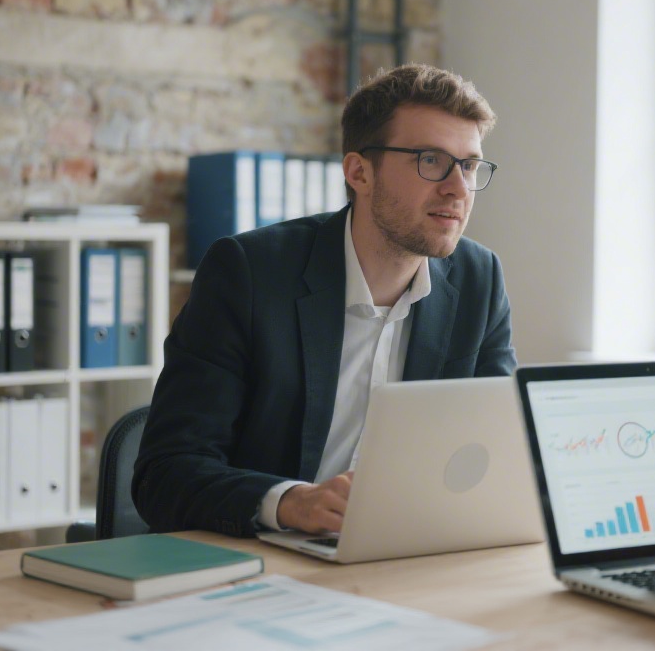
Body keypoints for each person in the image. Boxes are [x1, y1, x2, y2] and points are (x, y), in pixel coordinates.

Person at [134, 64, 516, 537]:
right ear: (359, 172)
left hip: (403, 555)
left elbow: (500, 453)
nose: (458, 188)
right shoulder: (249, 273)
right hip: (263, 559)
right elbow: (165, 473)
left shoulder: (479, 281)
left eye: (470, 165)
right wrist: (290, 503)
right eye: (430, 161)